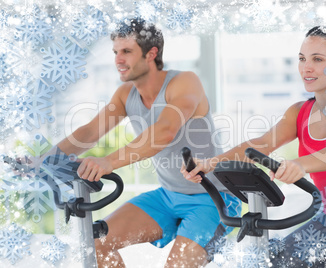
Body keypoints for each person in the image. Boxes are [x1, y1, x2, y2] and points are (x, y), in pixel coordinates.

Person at [182, 26, 326, 267]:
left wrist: (299, 165)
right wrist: (209, 164)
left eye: (317, 59)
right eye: (302, 59)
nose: (306, 67)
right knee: (277, 261)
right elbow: (261, 144)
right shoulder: (299, 112)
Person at [50, 18, 241, 268]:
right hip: (168, 197)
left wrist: (108, 162)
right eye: (116, 52)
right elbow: (90, 131)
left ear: (151, 54)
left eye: (127, 52)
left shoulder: (184, 82)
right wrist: (45, 161)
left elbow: (165, 132)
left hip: (213, 198)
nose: (118, 60)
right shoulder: (126, 94)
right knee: (96, 244)